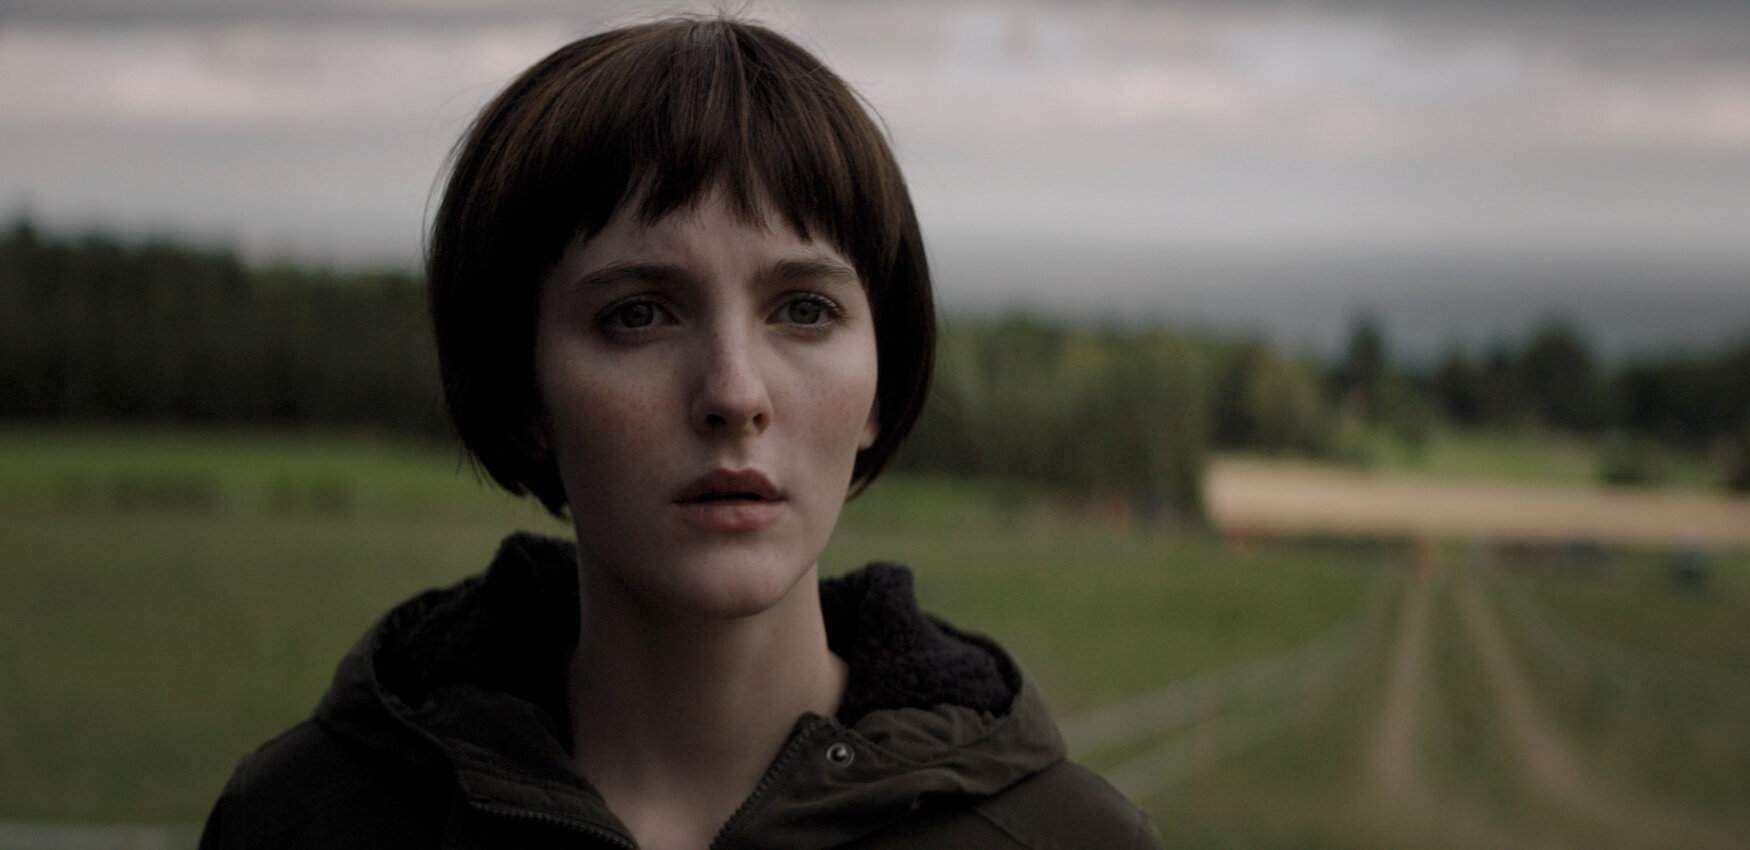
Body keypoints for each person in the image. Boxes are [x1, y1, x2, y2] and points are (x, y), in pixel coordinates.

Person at [201, 15, 1161, 850]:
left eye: (804, 310)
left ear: (882, 382)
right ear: (522, 388)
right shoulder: (301, 822)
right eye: (638, 315)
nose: (734, 394)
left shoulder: (1073, 843)